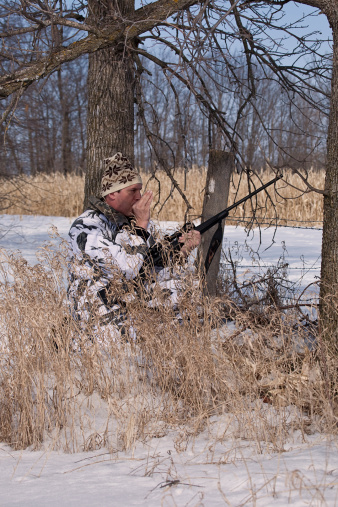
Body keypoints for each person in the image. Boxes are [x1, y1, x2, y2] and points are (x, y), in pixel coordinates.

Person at [67, 152, 201, 341]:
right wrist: (140, 228)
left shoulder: (134, 223)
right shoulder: (87, 227)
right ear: (112, 193)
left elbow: (151, 271)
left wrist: (181, 252)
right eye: (133, 191)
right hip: (99, 321)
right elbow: (127, 269)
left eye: (140, 190)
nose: (139, 197)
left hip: (132, 306)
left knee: (186, 295)